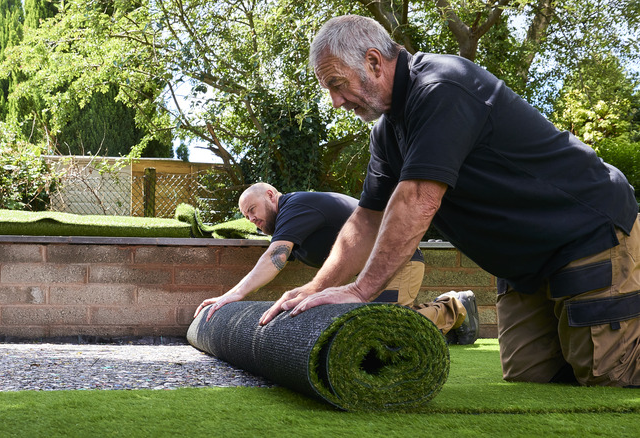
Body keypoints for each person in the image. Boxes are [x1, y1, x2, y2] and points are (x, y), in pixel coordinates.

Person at [259, 14, 640, 387]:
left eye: (337, 84)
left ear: (374, 62)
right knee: (531, 373)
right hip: (526, 266)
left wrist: (360, 291)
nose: (336, 102)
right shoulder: (387, 133)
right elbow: (366, 220)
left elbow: (418, 200)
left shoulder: (442, 87)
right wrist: (317, 288)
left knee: (607, 373)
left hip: (587, 231)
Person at [194, 182, 479, 344]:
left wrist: (234, 294)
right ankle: (445, 323)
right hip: (367, 277)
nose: (252, 219)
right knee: (367, 331)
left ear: (270, 195)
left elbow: (274, 259)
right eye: (247, 216)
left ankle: (454, 308)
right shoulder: (292, 224)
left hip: (397, 262)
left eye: (252, 210)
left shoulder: (295, 206)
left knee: (385, 329)